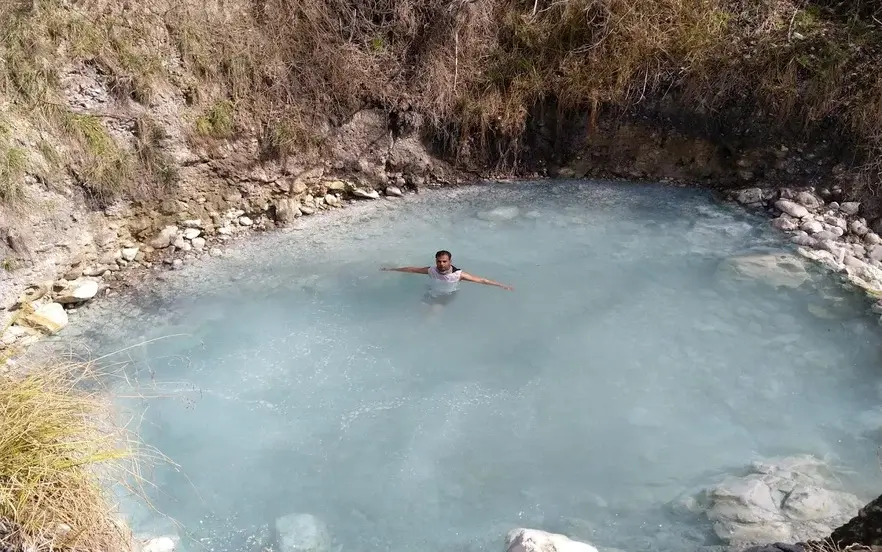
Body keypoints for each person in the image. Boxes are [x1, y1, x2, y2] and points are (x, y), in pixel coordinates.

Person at [381, 250, 513, 308]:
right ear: (436, 261)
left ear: (450, 261)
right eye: (439, 261)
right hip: (431, 292)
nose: (441, 264)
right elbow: (412, 269)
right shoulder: (431, 270)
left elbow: (481, 280)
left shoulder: (458, 274)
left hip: (447, 296)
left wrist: (502, 285)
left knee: (434, 314)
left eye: (444, 261)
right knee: (421, 308)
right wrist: (391, 270)